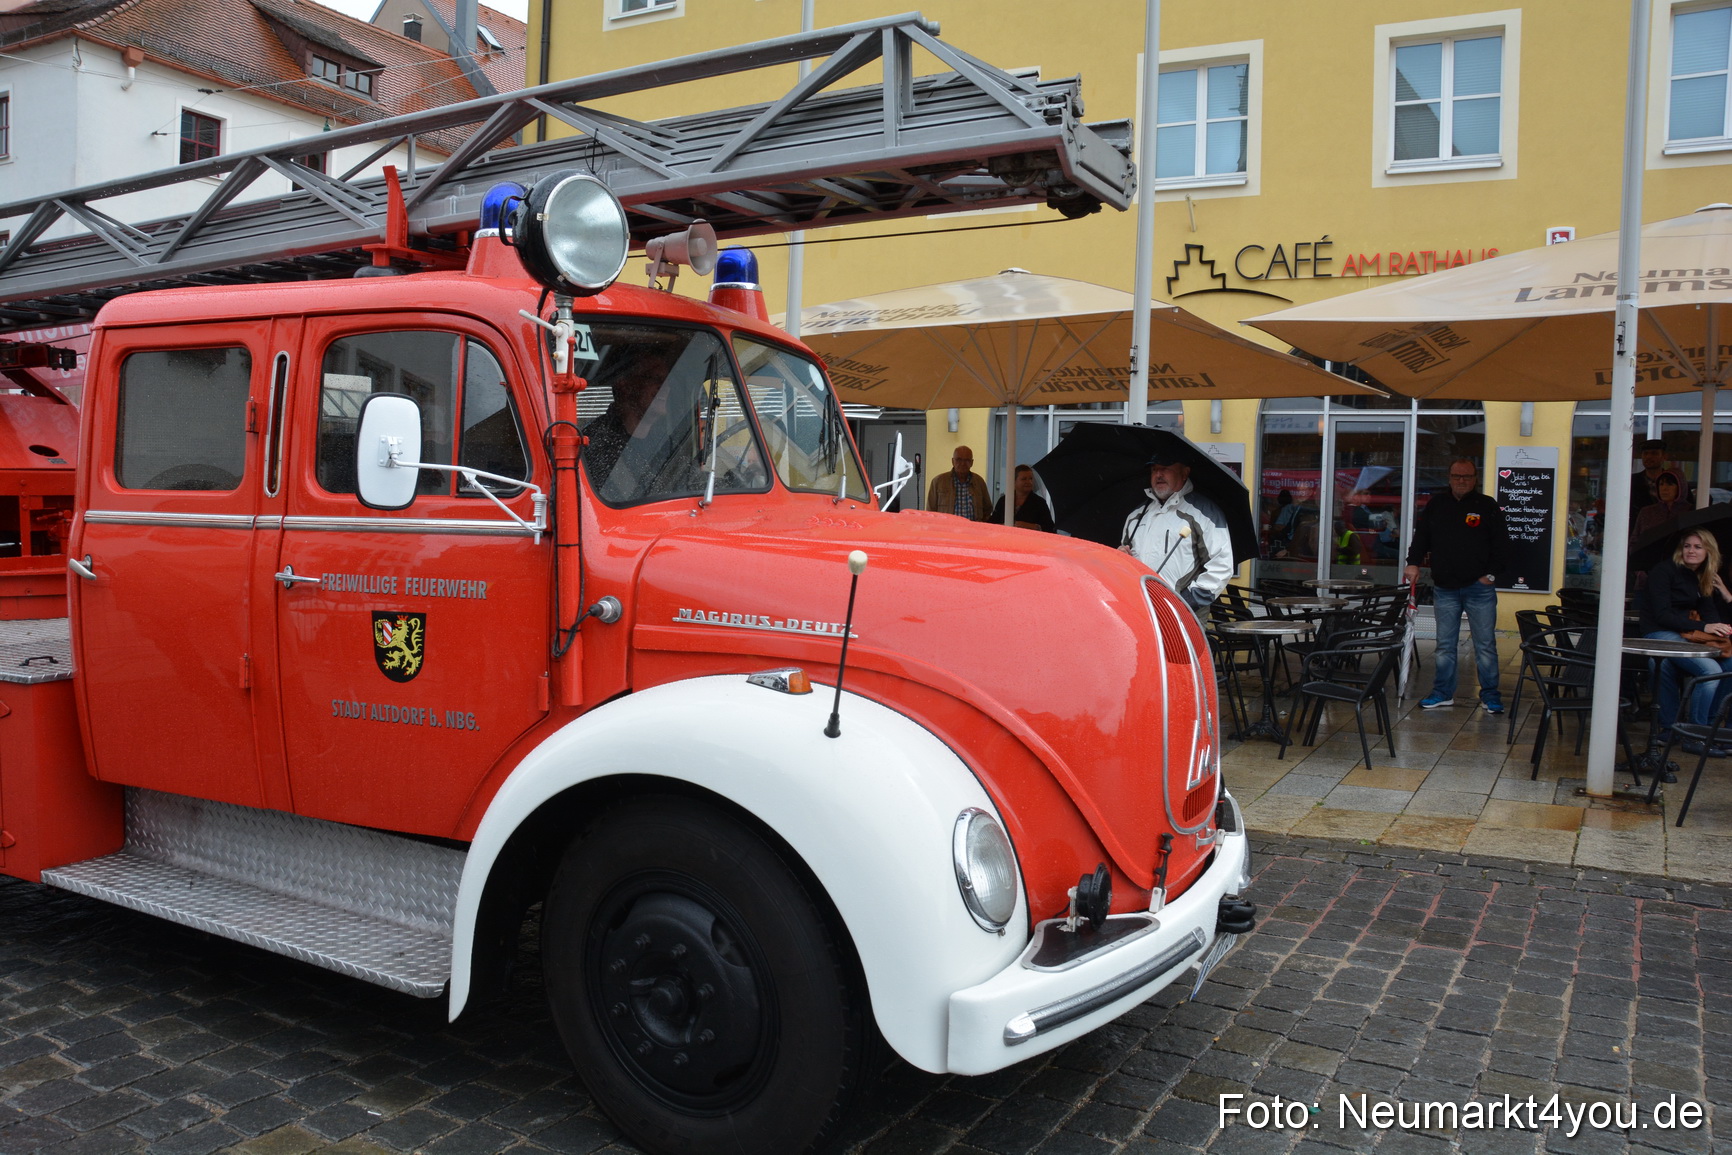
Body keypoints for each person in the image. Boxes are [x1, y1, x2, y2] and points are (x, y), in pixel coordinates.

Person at [1404, 458, 1510, 713]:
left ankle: (1490, 696)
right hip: (1445, 587)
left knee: (1485, 644)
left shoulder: (1487, 506)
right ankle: (1442, 693)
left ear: (1475, 479)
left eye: (1467, 476)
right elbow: (1422, 538)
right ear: (1449, 478)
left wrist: (1491, 576)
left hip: (1479, 588)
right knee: (1445, 645)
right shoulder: (1436, 505)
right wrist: (1413, 562)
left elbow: (1503, 545)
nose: (1461, 481)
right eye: (1456, 476)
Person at [1639, 529, 1732, 758]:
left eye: (1698, 547)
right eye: (1687, 546)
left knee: (1729, 666)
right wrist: (1704, 628)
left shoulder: (1702, 576)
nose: (1691, 551)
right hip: (1660, 632)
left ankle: (1707, 726)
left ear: (1709, 551)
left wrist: (1719, 627)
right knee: (1709, 670)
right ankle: (1695, 736)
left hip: (1686, 634)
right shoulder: (1664, 571)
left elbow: (1709, 615)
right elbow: (1662, 615)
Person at [1120, 450, 1233, 619]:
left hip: (1183, 615)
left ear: (1184, 473)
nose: (1158, 474)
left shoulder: (1204, 513)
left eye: (1165, 468)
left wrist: (1185, 602)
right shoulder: (1136, 515)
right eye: (1154, 470)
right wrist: (1120, 557)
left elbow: (1221, 566)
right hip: (1139, 609)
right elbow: (1125, 558)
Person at [927, 445, 991, 521]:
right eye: (959, 460)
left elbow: (988, 509)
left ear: (972, 463)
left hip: (972, 531)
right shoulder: (938, 482)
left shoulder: (979, 482)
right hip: (947, 530)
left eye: (967, 460)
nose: (963, 463)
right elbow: (930, 512)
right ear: (952, 461)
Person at [1631, 437, 1693, 516]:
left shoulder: (1677, 481)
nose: (1649, 457)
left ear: (1664, 456)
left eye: (1654, 453)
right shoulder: (1632, 482)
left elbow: (1688, 507)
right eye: (1645, 453)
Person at [989, 464, 1055, 531]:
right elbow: (992, 524)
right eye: (1024, 479)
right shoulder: (1004, 501)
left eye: (1030, 479)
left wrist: (1029, 526)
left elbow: (1050, 527)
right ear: (1014, 481)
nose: (1028, 482)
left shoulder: (1040, 503)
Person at [1632, 470, 1691, 540]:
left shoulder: (1690, 511)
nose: (1664, 488)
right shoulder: (1646, 512)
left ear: (1680, 486)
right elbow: (1634, 540)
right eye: (1661, 484)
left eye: (1670, 484)